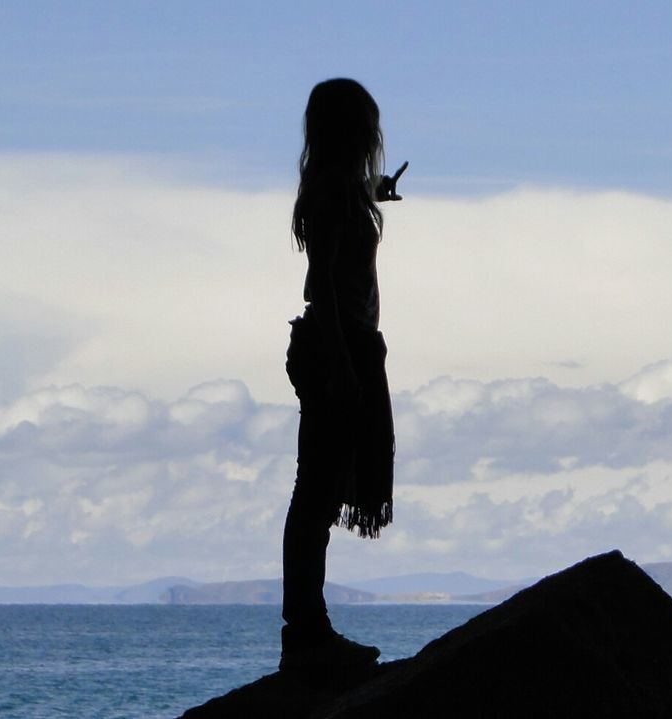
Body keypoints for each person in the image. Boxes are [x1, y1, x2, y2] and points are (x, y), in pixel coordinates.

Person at [280, 78, 405, 675]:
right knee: (317, 496)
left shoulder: (338, 190)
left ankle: (308, 629)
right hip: (340, 349)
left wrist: (376, 191)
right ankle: (306, 634)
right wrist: (343, 367)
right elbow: (324, 286)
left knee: (319, 493)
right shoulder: (333, 195)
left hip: (346, 348)